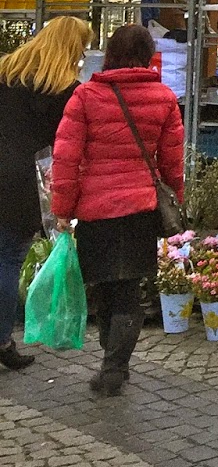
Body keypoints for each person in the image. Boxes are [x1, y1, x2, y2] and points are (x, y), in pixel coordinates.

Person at [51, 24, 184, 397]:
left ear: (109, 53)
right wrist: (177, 196)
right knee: (128, 288)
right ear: (147, 54)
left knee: (105, 287)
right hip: (140, 207)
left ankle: (111, 361)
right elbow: (172, 161)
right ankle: (115, 365)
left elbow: (66, 159)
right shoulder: (164, 98)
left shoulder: (85, 97)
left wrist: (62, 209)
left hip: (96, 209)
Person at [0, 17, 92, 371]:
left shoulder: (7, 73)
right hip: (25, 184)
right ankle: (2, 340)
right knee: (8, 258)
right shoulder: (69, 92)